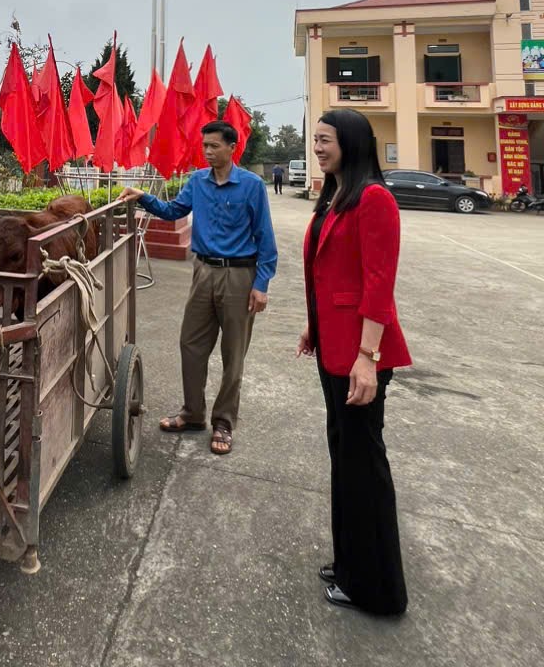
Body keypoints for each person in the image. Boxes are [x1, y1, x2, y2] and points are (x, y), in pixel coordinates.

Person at [296, 107, 412, 616]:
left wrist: (368, 357)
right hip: (334, 348)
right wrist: (315, 327)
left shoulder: (374, 199)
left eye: (326, 140)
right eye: (316, 140)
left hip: (360, 355)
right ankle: (350, 563)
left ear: (352, 142)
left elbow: (378, 284)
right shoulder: (336, 196)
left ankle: (376, 588)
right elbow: (328, 273)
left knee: (363, 463)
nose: (318, 148)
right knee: (345, 457)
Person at [119, 120, 277, 456]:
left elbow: (265, 237)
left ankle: (224, 422)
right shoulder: (197, 182)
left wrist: (261, 284)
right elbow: (173, 210)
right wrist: (144, 198)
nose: (207, 152)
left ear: (232, 147)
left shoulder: (251, 186)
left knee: (233, 353)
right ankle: (192, 413)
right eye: (205, 146)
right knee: (190, 344)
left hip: (239, 276)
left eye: (214, 146)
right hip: (203, 272)